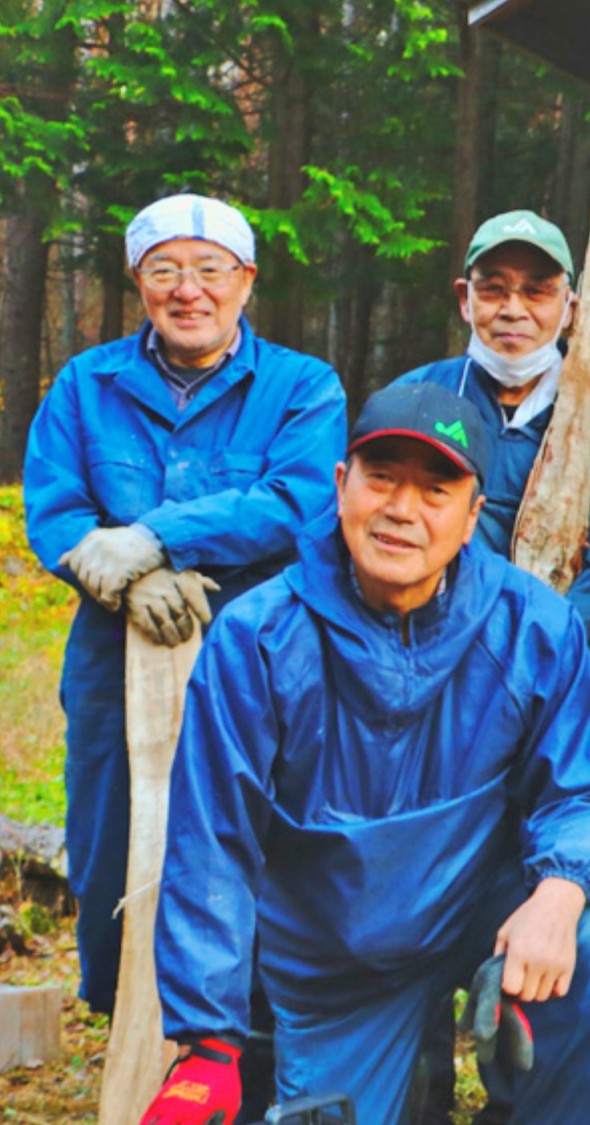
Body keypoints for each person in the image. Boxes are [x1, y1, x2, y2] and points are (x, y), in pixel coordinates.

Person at [143, 383, 590, 1125]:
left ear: (475, 513)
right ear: (342, 486)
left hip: (480, 903)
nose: (403, 510)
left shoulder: (534, 626)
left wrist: (561, 890)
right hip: (336, 958)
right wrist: (207, 1040)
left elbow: (578, 793)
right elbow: (212, 840)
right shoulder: (256, 637)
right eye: (382, 478)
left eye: (436, 489)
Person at [22, 193, 347, 1016]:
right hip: (113, 647)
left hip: (258, 646)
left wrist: (156, 536)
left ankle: (255, 1019)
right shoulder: (84, 384)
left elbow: (298, 500)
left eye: (210, 270)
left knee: (258, 829)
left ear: (247, 281)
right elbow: (56, 509)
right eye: (165, 269)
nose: (188, 290)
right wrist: (130, 578)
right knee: (110, 834)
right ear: (139, 281)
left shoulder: (302, 386)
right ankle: (127, 1006)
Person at [397, 209, 590, 695]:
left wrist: (538, 662)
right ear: (466, 299)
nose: (513, 309)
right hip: (433, 674)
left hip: (564, 679)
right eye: (493, 289)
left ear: (571, 307)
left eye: (537, 290)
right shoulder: (415, 400)